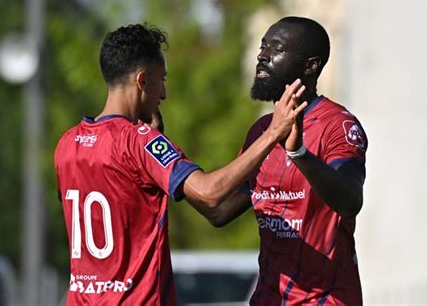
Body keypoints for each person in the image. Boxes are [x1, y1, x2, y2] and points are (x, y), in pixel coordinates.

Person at [54, 24, 308, 305]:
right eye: (161, 80)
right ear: (142, 81)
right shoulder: (139, 142)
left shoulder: (67, 143)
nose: (163, 94)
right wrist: (273, 133)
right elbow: (210, 194)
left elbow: (117, 205)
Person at [204, 17, 368, 305]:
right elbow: (219, 211)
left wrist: (299, 152)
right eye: (262, 46)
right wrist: (163, 166)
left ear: (310, 66)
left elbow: (350, 200)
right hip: (268, 297)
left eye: (275, 48)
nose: (262, 55)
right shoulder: (261, 130)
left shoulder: (337, 125)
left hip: (324, 299)